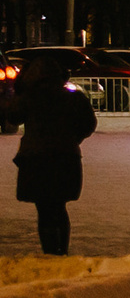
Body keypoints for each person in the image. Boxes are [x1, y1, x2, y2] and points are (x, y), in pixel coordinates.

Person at [11, 50, 98, 256]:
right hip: (66, 157)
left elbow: (12, 117)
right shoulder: (72, 98)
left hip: (36, 158)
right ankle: (61, 251)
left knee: (45, 209)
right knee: (59, 207)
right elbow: (89, 123)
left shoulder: (29, 98)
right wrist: (73, 139)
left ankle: (50, 253)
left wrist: (19, 88)